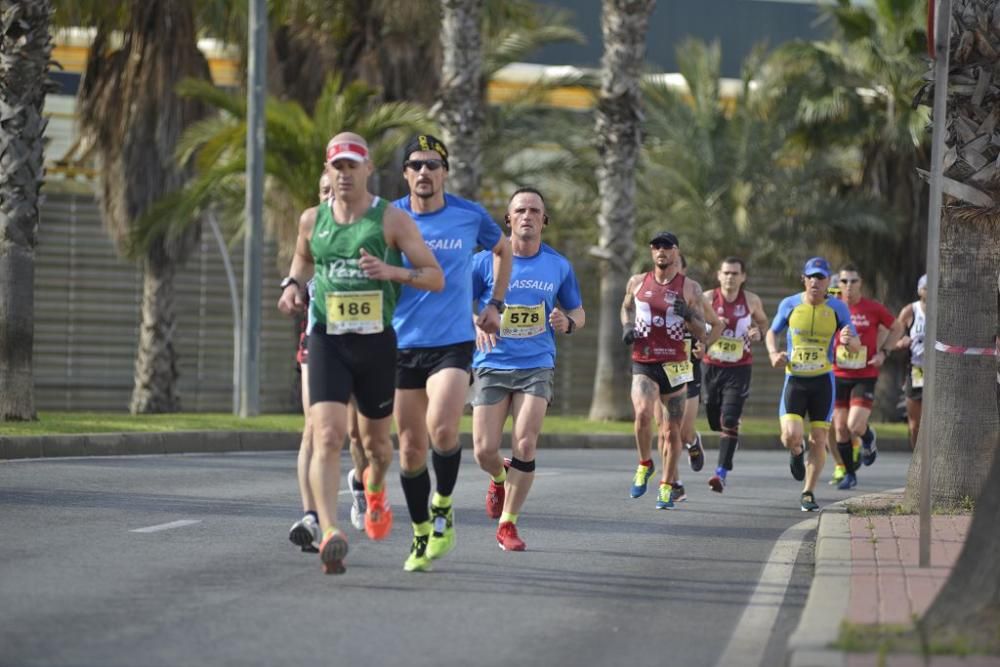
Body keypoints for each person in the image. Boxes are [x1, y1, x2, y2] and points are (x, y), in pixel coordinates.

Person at [278, 132, 444, 575]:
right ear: (328, 171)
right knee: (328, 435)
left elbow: (433, 276)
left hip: (375, 343)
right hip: (328, 339)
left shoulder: (391, 220)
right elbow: (300, 259)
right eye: (338, 166)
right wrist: (292, 286)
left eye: (353, 165)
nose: (345, 174)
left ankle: (373, 488)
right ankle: (330, 530)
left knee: (376, 447)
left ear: (368, 169)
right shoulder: (312, 220)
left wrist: (390, 270)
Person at [391, 134, 512, 572]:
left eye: (432, 164)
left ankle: (443, 503)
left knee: (442, 429)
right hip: (402, 343)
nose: (424, 172)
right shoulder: (390, 217)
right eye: (415, 164)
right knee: (408, 448)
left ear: (444, 172)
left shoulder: (467, 215)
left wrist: (494, 305)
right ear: (405, 173)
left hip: (452, 342)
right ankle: (422, 532)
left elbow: (503, 249)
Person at [471, 187, 584, 550]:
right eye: (520, 210)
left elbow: (578, 311)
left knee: (525, 441)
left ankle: (508, 525)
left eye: (535, 211)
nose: (527, 216)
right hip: (492, 363)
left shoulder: (558, 265)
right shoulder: (484, 261)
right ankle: (498, 475)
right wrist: (475, 320)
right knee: (483, 450)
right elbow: (456, 297)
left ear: (544, 221)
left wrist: (568, 322)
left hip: (537, 364)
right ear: (508, 219)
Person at [765, 257, 860, 512]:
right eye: (811, 277)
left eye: (820, 278)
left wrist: (849, 340)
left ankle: (808, 491)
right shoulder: (790, 304)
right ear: (804, 280)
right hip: (795, 380)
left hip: (823, 381)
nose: (815, 282)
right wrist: (774, 354)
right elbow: (771, 332)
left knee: (819, 438)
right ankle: (796, 452)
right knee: (790, 436)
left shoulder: (838, 308)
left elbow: (855, 346)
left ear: (829, 281)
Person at [622, 231, 706, 509]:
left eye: (667, 247)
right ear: (651, 252)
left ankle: (667, 486)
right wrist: (626, 326)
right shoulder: (637, 282)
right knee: (643, 414)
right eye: (657, 246)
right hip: (644, 361)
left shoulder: (690, 288)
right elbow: (626, 308)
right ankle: (645, 463)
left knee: (672, 432)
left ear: (676, 253)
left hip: (676, 365)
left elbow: (702, 331)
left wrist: (688, 314)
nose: (661, 251)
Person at [287, 173, 331, 553]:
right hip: (318, 339)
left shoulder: (375, 225)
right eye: (325, 191)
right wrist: (291, 287)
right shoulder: (311, 226)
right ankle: (311, 517)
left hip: (366, 342)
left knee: (361, 436)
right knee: (314, 429)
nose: (332, 195)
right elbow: (298, 267)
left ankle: (365, 484)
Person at [700, 257, 770, 493]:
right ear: (719, 275)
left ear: (743, 277)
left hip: (739, 368)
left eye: (735, 273)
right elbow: (693, 323)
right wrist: (707, 329)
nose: (730, 277)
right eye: (726, 273)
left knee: (729, 420)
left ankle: (721, 472)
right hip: (711, 365)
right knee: (712, 416)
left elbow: (764, 324)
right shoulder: (708, 298)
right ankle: (729, 436)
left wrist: (758, 333)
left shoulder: (751, 300)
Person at [830, 264, 903, 489]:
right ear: (838, 284)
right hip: (837, 373)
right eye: (844, 281)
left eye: (853, 281)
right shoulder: (831, 307)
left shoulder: (872, 308)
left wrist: (884, 352)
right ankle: (850, 475)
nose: (848, 286)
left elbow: (897, 327)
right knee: (840, 427)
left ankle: (868, 437)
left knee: (854, 424)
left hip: (865, 373)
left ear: (860, 283)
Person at [893, 274, 927, 450]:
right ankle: (917, 458)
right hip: (917, 370)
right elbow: (893, 340)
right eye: (926, 288)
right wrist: (902, 342)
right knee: (915, 425)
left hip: (939, 371)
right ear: (920, 291)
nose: (929, 292)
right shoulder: (911, 311)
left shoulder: (946, 310)